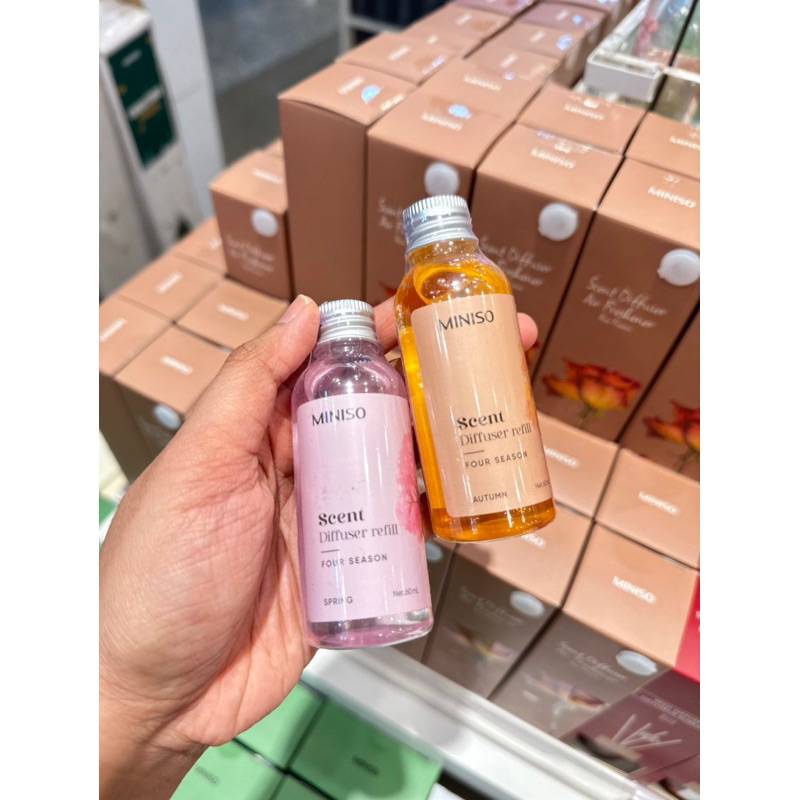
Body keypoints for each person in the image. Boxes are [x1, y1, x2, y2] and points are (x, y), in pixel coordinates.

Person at [99, 294, 539, 799]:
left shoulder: (378, 378)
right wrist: (133, 702)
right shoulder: (316, 383)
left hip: (391, 588)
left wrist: (136, 713)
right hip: (327, 586)